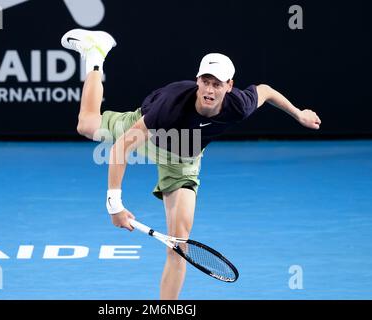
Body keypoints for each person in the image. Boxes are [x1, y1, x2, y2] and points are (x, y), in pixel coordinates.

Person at [61, 28, 321, 300]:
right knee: (86, 124)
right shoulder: (171, 106)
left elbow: (265, 91)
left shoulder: (240, 105)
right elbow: (121, 148)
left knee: (179, 246)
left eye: (217, 83)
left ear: (229, 86)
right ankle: (96, 54)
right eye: (206, 81)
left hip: (183, 160)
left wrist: (298, 113)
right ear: (198, 80)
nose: (210, 89)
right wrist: (114, 204)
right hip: (151, 133)